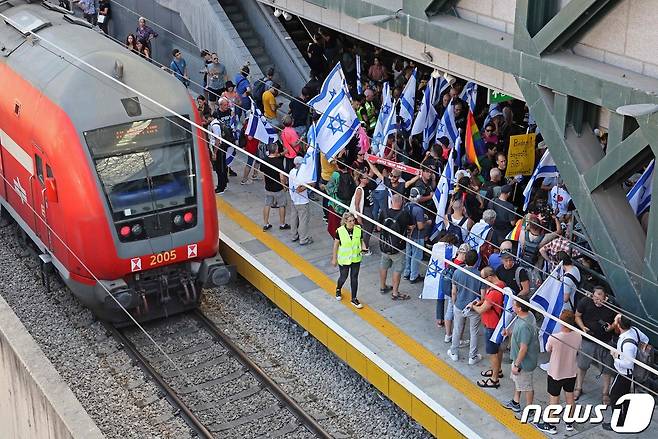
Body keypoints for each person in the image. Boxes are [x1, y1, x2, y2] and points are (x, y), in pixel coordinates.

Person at [535, 310, 582, 434]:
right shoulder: (578, 335)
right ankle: (569, 422)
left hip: (556, 372)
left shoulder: (555, 337)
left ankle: (551, 424)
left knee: (554, 399)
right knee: (570, 397)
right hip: (571, 371)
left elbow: (548, 349)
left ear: (562, 323)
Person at [602, 314, 649, 431]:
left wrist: (615, 357)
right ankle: (626, 419)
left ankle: (617, 423)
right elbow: (646, 340)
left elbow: (628, 364)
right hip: (629, 373)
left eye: (615, 322)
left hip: (624, 374)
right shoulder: (635, 331)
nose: (613, 323)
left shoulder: (627, 344)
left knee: (615, 396)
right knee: (626, 397)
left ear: (619, 325)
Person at [574, 286, 616, 403]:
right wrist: (582, 327)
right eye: (595, 297)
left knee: (607, 369)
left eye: (600, 297)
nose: (597, 300)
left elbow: (616, 321)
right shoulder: (585, 302)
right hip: (588, 340)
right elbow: (577, 316)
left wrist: (610, 327)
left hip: (605, 341)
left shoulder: (611, 307)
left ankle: (605, 393)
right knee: (582, 365)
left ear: (605, 297)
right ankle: (578, 387)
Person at [447, 250, 484, 365]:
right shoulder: (479, 275)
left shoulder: (457, 272)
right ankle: (472, 356)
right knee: (474, 332)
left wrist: (454, 304)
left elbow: (454, 292)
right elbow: (483, 296)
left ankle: (454, 352)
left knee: (457, 329)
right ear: (476, 261)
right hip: (474, 308)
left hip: (459, 305)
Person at [502, 300, 539, 413]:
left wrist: (517, 365)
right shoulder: (527, 316)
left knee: (527, 386)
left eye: (514, 305)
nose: (512, 306)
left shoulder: (524, 326)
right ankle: (515, 402)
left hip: (523, 363)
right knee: (519, 382)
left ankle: (529, 410)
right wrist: (509, 333)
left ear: (519, 308)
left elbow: (523, 348)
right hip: (519, 359)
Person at [472, 267, 505, 387]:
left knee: (493, 353)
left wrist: (473, 306)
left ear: (490, 277)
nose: (483, 281)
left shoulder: (494, 292)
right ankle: (497, 370)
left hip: (491, 325)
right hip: (497, 324)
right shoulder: (501, 285)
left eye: (484, 278)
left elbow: (481, 310)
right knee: (498, 350)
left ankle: (494, 379)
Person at [378, 194, 411, 300]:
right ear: (401, 202)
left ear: (391, 202)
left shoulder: (384, 212)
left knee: (384, 266)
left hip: (384, 246)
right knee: (397, 269)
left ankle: (383, 287)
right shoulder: (404, 214)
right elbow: (411, 226)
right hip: (398, 248)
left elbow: (378, 228)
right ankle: (395, 292)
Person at [332, 212, 366, 309]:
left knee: (354, 278)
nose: (352, 223)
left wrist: (364, 248)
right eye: (350, 221)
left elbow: (361, 241)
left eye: (353, 220)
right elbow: (336, 245)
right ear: (345, 221)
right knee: (343, 277)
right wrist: (334, 258)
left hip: (356, 258)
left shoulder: (358, 229)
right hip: (344, 259)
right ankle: (338, 289)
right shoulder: (340, 231)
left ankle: (354, 298)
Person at [261, 143, 289, 231]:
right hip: (278, 188)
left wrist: (265, 184)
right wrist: (284, 186)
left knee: (267, 204)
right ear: (276, 150)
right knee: (282, 205)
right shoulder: (278, 162)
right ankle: (282, 224)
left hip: (268, 187)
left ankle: (266, 223)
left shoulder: (265, 160)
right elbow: (281, 177)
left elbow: (263, 174)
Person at [403, 187, 429, 284]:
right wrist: (427, 222)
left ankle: (407, 272)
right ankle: (414, 276)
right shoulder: (418, 210)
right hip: (417, 236)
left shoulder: (406, 205)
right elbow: (420, 226)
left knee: (408, 254)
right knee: (416, 256)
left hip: (408, 235)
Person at [350, 170, 377, 255]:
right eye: (366, 178)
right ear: (361, 179)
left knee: (369, 228)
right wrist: (359, 216)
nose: (368, 179)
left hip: (370, 208)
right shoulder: (359, 189)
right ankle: (364, 248)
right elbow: (357, 204)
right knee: (367, 229)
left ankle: (364, 244)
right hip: (365, 210)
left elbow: (372, 172)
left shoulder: (367, 185)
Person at [288, 156, 312, 246]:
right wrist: (309, 185)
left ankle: (293, 235)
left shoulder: (291, 171)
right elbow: (299, 189)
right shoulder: (300, 174)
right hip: (301, 200)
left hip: (293, 198)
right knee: (303, 220)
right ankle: (303, 239)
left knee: (294, 217)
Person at [208, 110, 228, 194]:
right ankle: (223, 183)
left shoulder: (215, 125)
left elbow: (217, 140)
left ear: (209, 117)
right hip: (219, 148)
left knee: (220, 169)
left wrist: (214, 153)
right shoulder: (216, 122)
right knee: (221, 168)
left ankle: (221, 187)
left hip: (218, 149)